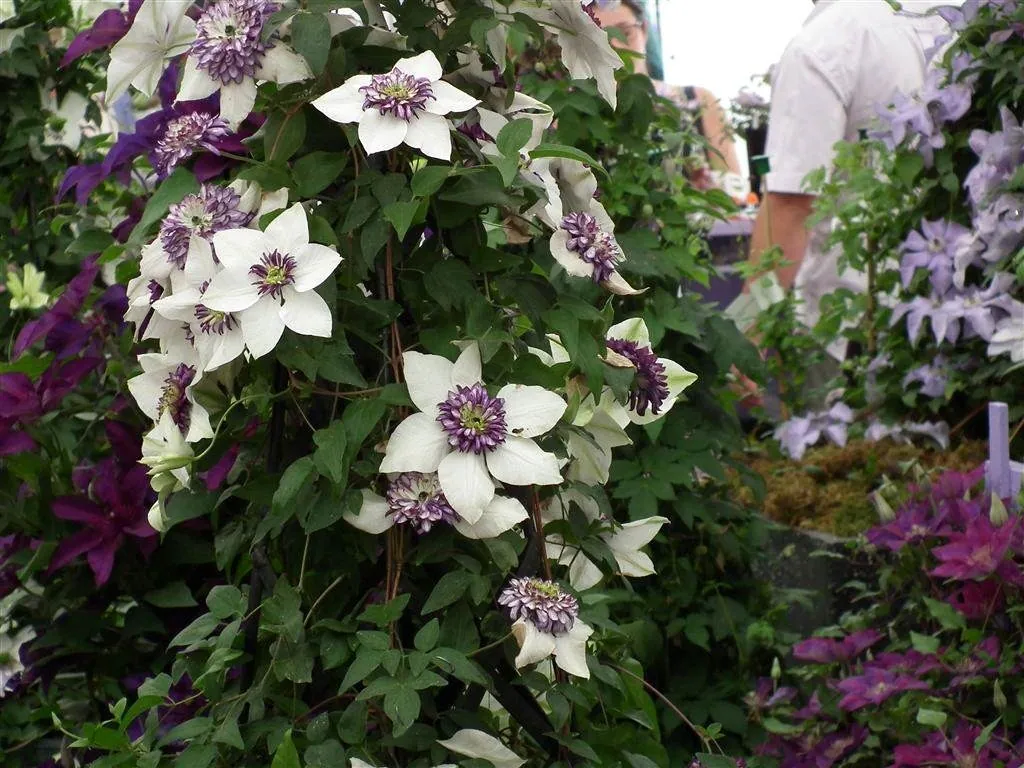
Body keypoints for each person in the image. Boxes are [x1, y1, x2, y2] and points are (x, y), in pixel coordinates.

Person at [742, 0, 955, 355]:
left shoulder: (826, 42)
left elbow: (792, 208)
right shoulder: (949, 20)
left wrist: (747, 332)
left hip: (849, 327)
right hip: (947, 315)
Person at [592, 0, 746, 197]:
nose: (616, 46)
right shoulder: (581, 116)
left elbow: (736, 193)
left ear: (644, 31)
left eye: (626, 32)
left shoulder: (700, 101)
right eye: (600, 38)